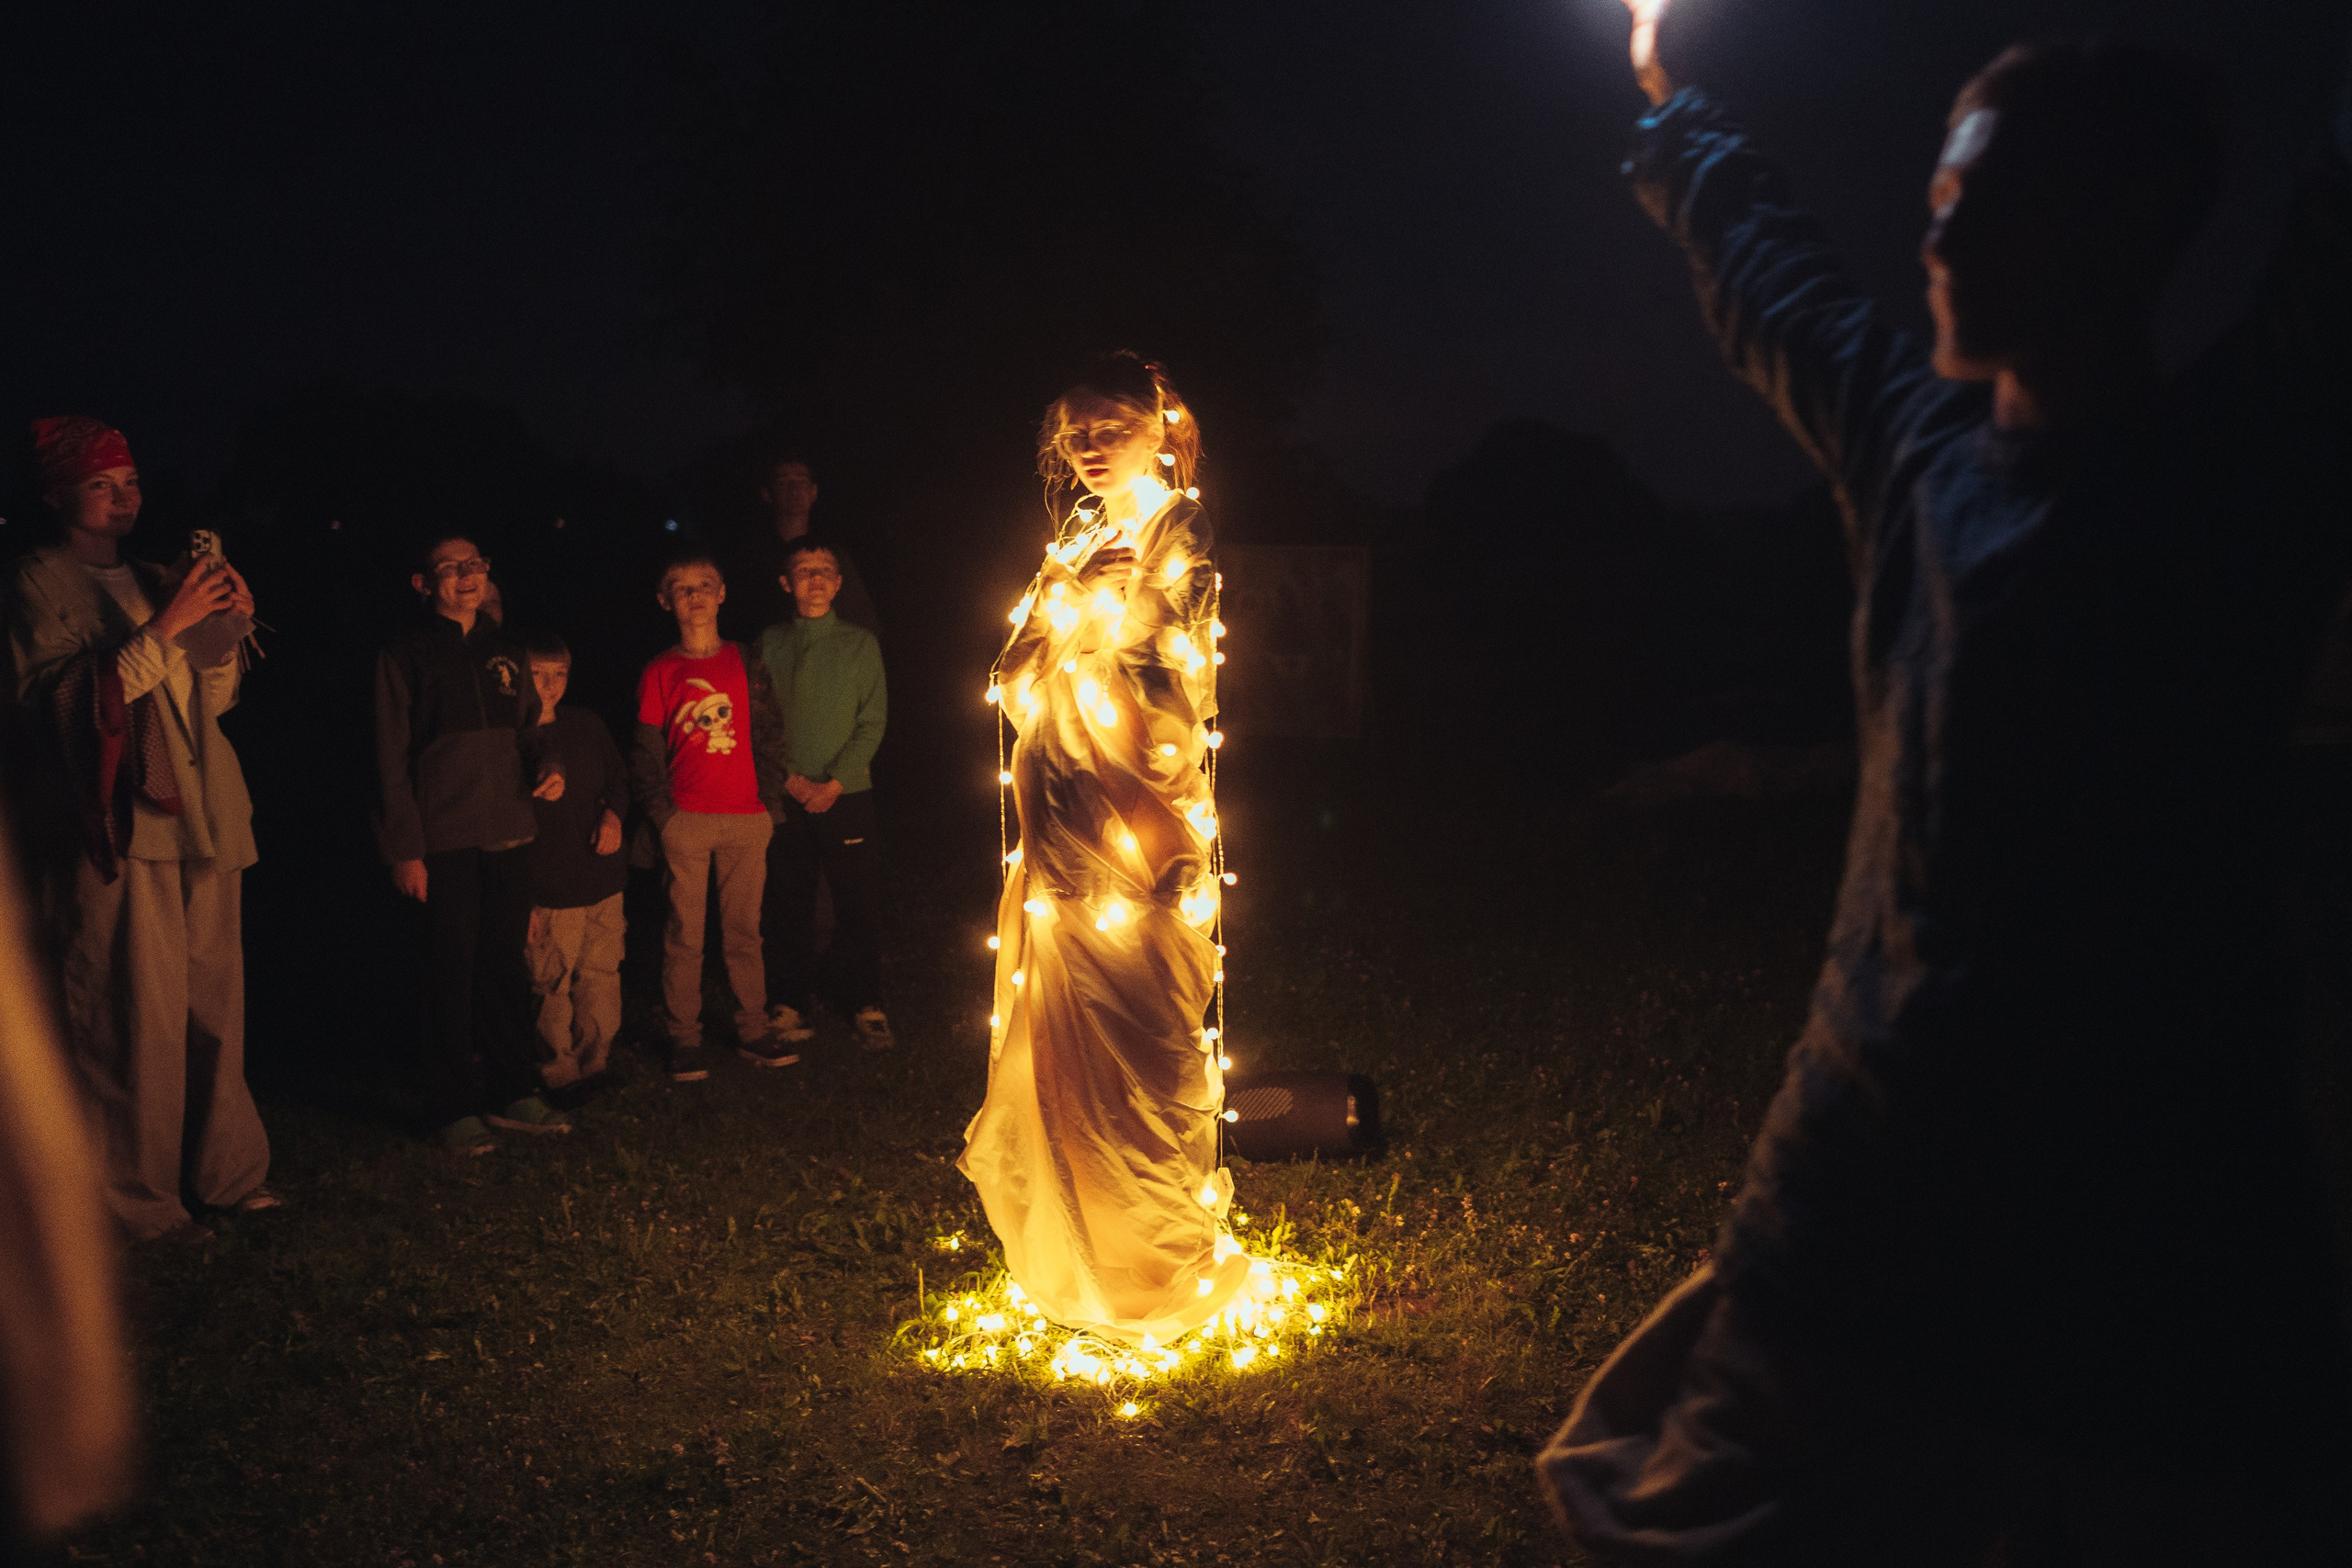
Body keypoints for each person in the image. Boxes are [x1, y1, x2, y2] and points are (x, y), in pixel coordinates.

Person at [1539, 6, 2352, 1562]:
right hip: (1854, 1213)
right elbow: (1771, 270)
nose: (1942, 221)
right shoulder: (1925, 458)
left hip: (2154, 1253)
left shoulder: (2244, 469)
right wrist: (1670, 96)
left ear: (2118, 225)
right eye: (1936, 190)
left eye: (1989, 192)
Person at [958, 354, 1252, 1343]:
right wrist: (1069, 594)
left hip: (1133, 805)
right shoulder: (1079, 533)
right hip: (1060, 807)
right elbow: (1010, 672)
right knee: (1073, 1018)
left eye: (1108, 427)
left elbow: (1165, 679)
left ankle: (1155, 1258)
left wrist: (1140, 786)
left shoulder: (1178, 527)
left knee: (1148, 1020)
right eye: (1074, 432)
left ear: (1158, 427)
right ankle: (1084, 1255)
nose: (1088, 447)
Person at [3, 415, 277, 1243]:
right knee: (131, 1015)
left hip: (204, 813)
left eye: (131, 482)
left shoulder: (162, 573)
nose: (124, 496)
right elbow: (59, 707)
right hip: (115, 820)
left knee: (212, 1008)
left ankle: (226, 1173)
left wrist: (224, 634)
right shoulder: (34, 581)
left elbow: (211, 704)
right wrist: (163, 629)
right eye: (101, 483)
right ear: (57, 494)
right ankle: (137, 1202)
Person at [374, 534, 571, 1154]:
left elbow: (533, 733)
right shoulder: (405, 654)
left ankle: (516, 1090)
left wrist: (548, 765)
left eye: (477, 564)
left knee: (505, 967)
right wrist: (405, 847)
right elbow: (388, 757)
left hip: (509, 830)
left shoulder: (506, 650)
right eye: (452, 567)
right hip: (445, 838)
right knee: (448, 971)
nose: (468, 574)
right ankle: (450, 1106)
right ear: (422, 583)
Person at [631, 549, 797, 1081]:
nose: (694, 595)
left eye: (705, 585)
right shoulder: (660, 670)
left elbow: (770, 735)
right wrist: (665, 816)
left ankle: (752, 1027)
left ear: (722, 593)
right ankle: (685, 1036)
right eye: (681, 587)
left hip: (746, 816)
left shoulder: (745, 661)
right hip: (688, 820)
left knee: (744, 930)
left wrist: (769, 808)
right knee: (685, 933)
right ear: (664, 601)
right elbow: (646, 750)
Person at [756, 536, 892, 1051]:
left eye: (824, 571)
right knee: (787, 899)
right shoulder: (769, 643)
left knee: (856, 901)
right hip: (786, 793)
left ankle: (864, 1000)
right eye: (803, 569)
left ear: (837, 583)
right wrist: (789, 777)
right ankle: (789, 999)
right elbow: (760, 721)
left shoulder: (860, 644)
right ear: (785, 583)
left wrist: (835, 780)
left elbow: (873, 718)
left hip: (847, 793)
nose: (814, 579)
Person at [520, 633, 628, 1090]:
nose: (549, 684)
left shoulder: (585, 723)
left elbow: (619, 779)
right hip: (549, 887)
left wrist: (613, 814)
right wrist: (520, 898)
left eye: (559, 674)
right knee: (551, 984)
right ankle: (557, 1072)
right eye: (538, 674)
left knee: (601, 974)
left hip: (602, 878)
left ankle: (595, 1061)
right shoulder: (511, 737)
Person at [718, 450, 881, 641]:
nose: (794, 489)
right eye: (783, 482)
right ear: (767, 493)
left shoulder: (833, 555)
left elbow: (863, 618)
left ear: (813, 492)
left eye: (801, 481)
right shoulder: (750, 559)